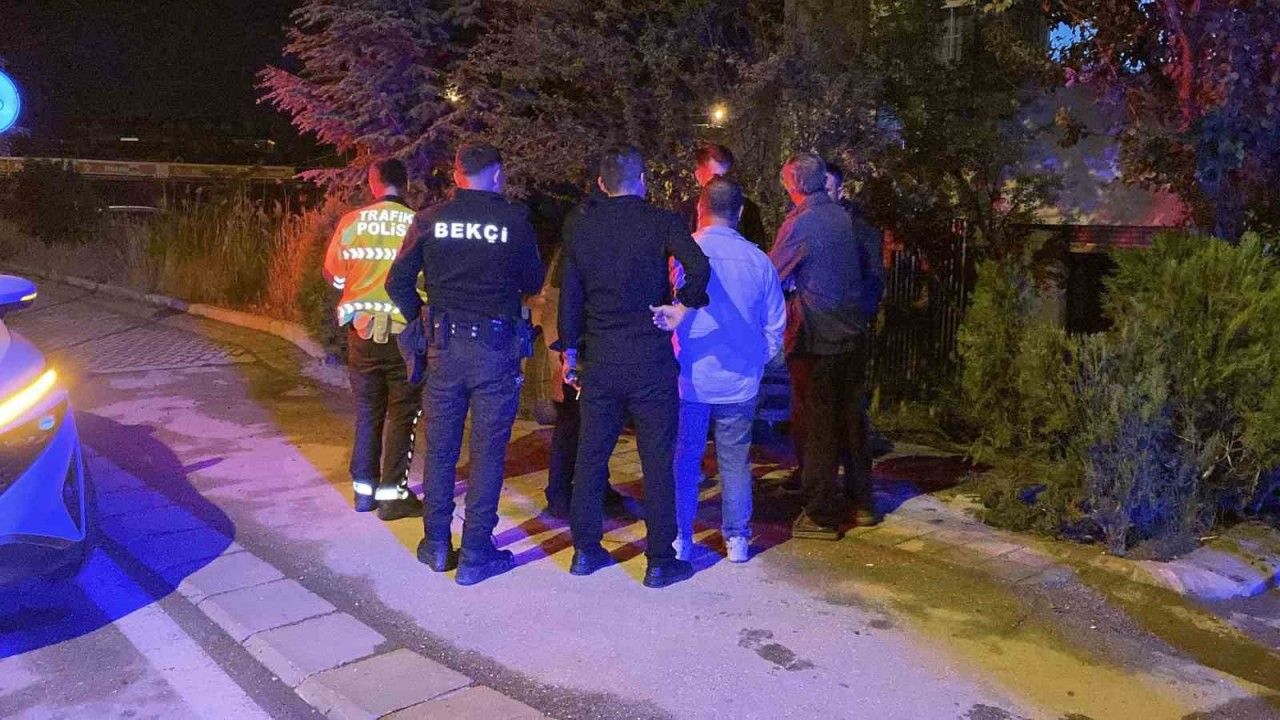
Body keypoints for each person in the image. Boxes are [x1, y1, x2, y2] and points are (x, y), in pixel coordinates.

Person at [386, 143, 545, 585]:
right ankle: (476, 552)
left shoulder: (430, 219)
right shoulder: (513, 220)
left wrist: (420, 317)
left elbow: (397, 281)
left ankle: (437, 544)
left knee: (441, 449)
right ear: (496, 175)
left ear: (456, 174)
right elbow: (533, 280)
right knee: (488, 452)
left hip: (444, 346)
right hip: (495, 348)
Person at [558, 144, 711, 589]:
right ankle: (660, 560)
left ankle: (585, 551)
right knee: (657, 460)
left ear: (601, 184)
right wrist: (682, 306)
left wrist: (570, 353)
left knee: (591, 457)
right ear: (642, 180)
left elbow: (571, 296)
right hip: (650, 360)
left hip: (602, 359)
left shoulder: (581, 227)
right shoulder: (661, 222)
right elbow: (699, 267)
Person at [671, 177, 785, 563]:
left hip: (691, 376)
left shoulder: (684, 253)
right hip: (740, 380)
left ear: (700, 207)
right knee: (735, 459)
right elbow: (775, 323)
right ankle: (737, 538)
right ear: (739, 212)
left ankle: (681, 537)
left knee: (686, 457)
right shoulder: (759, 261)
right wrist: (758, 359)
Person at [770, 152, 882, 540]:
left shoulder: (801, 222)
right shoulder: (841, 217)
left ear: (795, 183)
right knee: (851, 419)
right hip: (851, 335)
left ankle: (820, 513)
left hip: (817, 337)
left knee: (816, 425)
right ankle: (860, 499)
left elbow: (772, 273)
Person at [323, 158, 423, 522]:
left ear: (372, 184)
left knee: (368, 412)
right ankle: (393, 494)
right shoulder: (418, 223)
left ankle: (363, 492)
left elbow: (334, 277)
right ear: (406, 183)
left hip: (362, 333)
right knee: (403, 413)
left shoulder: (351, 222)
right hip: (403, 334)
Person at [535, 203, 628, 520]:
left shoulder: (574, 251)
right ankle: (562, 493)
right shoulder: (576, 256)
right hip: (574, 352)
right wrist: (567, 356)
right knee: (574, 423)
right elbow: (561, 307)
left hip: (576, 349)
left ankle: (586, 487)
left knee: (582, 423)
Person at [679, 143, 769, 250]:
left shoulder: (748, 210)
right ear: (698, 175)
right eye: (715, 176)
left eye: (724, 176)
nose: (719, 181)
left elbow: (758, 249)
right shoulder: (686, 210)